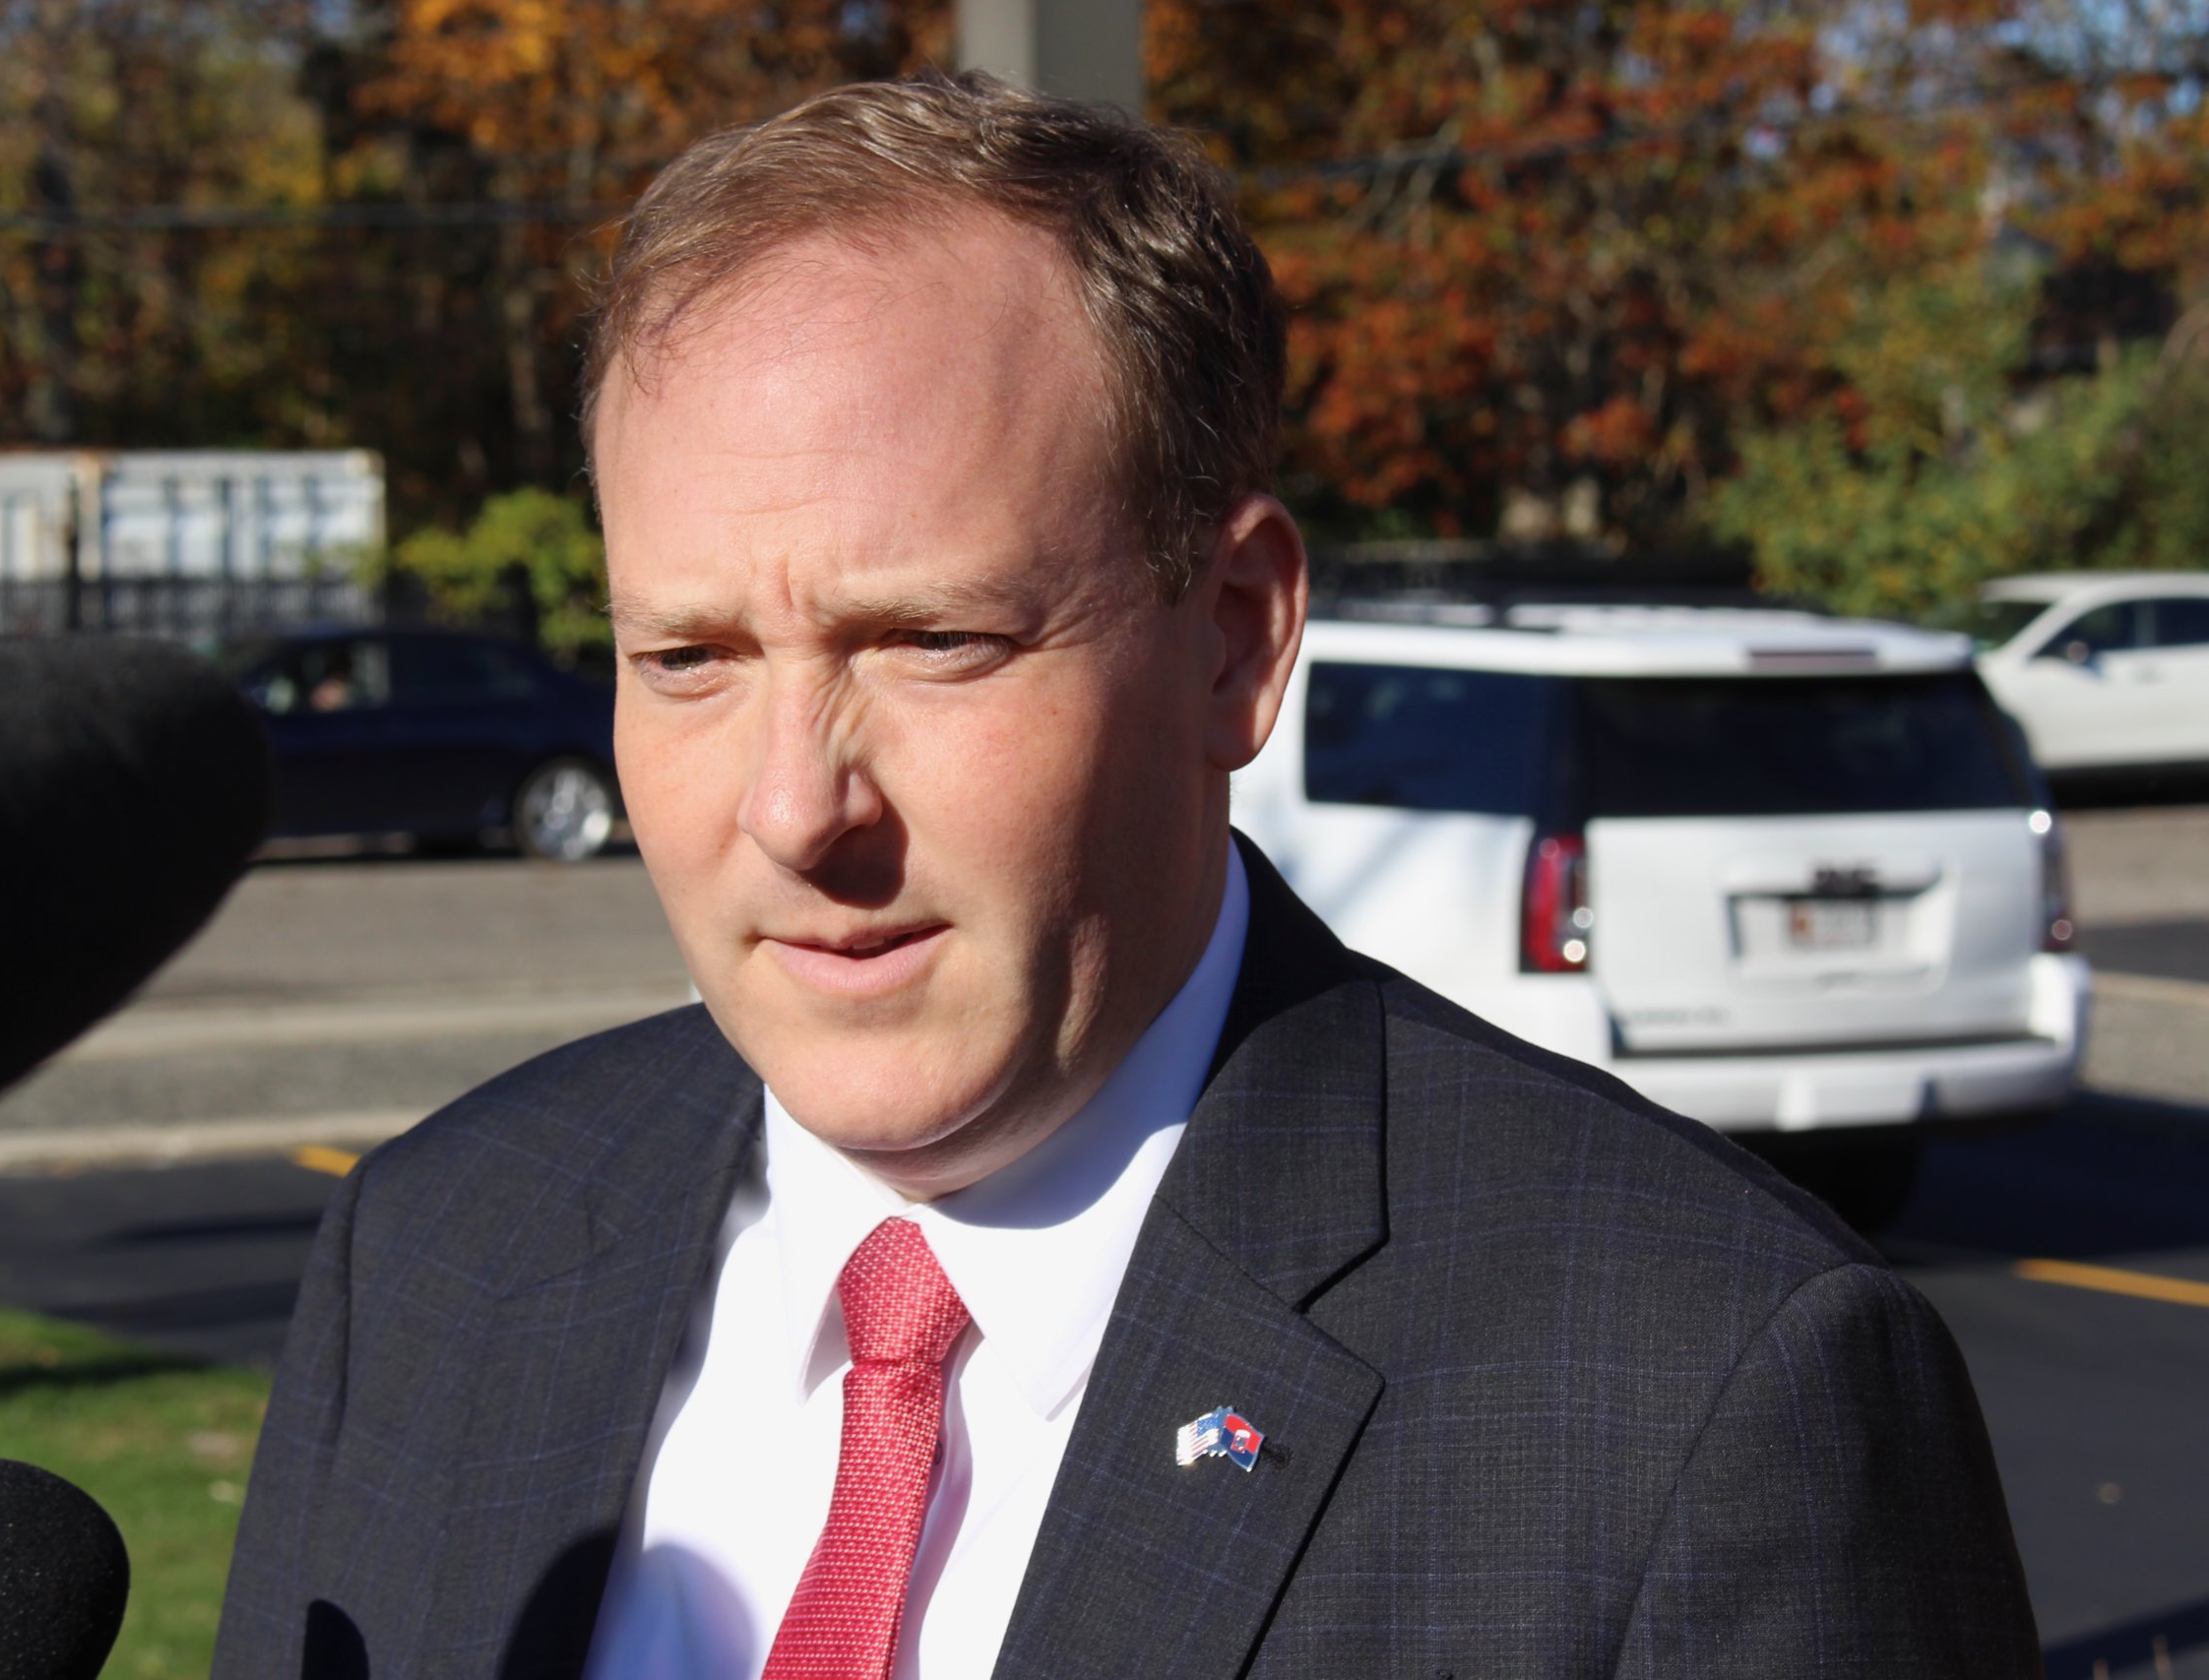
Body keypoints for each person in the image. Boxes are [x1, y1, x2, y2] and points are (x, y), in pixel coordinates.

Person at [216, 72, 2038, 1680]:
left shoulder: (1699, 1393)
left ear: (1235, 640)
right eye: (687, 657)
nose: (791, 810)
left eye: (933, 640)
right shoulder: (437, 1259)